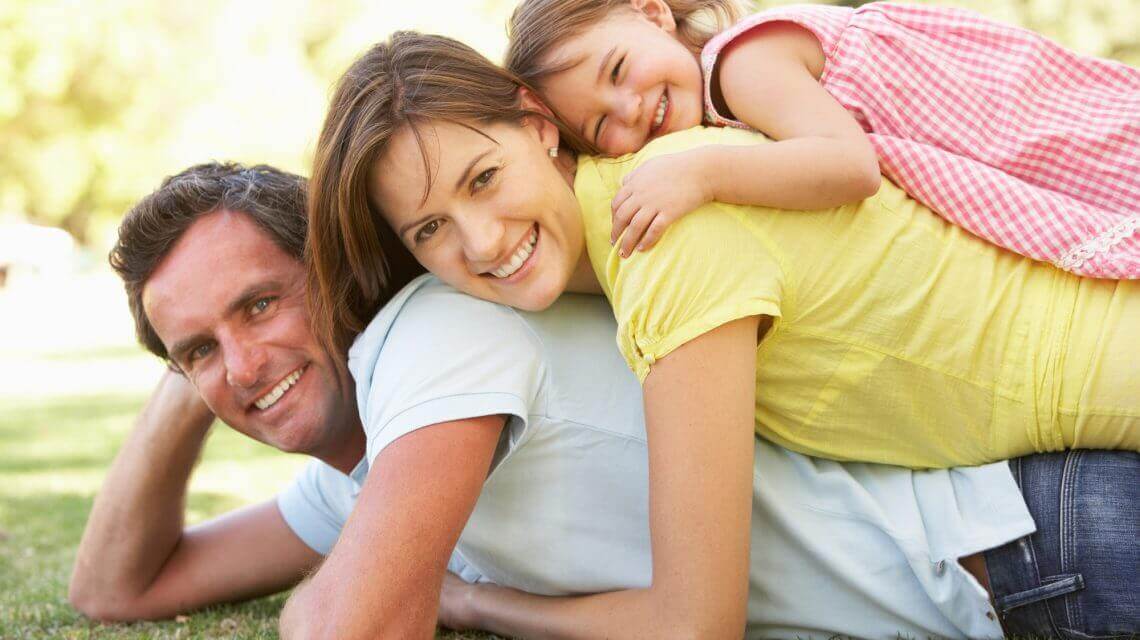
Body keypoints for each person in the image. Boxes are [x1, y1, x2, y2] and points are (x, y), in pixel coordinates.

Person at [71, 162, 1139, 639]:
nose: (247, 362)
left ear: (341, 271)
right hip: (1013, 583)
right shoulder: (359, 473)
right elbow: (119, 586)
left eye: (263, 302)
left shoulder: (436, 343)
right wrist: (199, 369)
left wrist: (478, 605)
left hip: (1042, 541)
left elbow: (359, 624)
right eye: (198, 348)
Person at [304, 31, 1140, 637]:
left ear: (538, 121)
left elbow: (695, 624)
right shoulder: (635, 207)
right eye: (429, 231)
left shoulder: (662, 240)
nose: (482, 242)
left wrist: (474, 601)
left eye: (483, 178)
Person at [502, 0, 1140, 277]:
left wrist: (700, 174)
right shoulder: (726, 90)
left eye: (617, 71)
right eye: (600, 127)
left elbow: (848, 166)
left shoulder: (737, 65)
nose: (631, 109)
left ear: (653, 16)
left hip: (1019, 125)